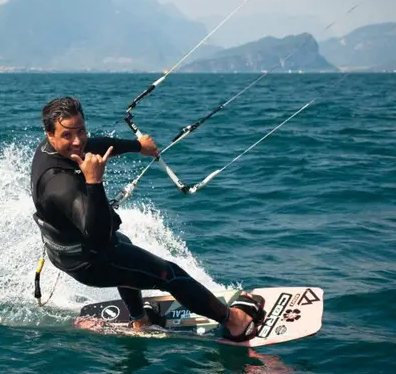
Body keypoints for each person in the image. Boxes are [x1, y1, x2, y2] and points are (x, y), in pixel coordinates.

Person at [30, 96, 265, 341]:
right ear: (50, 134)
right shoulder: (59, 183)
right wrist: (94, 182)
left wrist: (137, 146)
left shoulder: (52, 149)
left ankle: (139, 320)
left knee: (125, 246)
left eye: (81, 131)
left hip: (66, 250)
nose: (77, 141)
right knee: (169, 274)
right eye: (68, 135)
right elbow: (99, 241)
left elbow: (96, 145)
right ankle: (236, 322)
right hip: (88, 261)